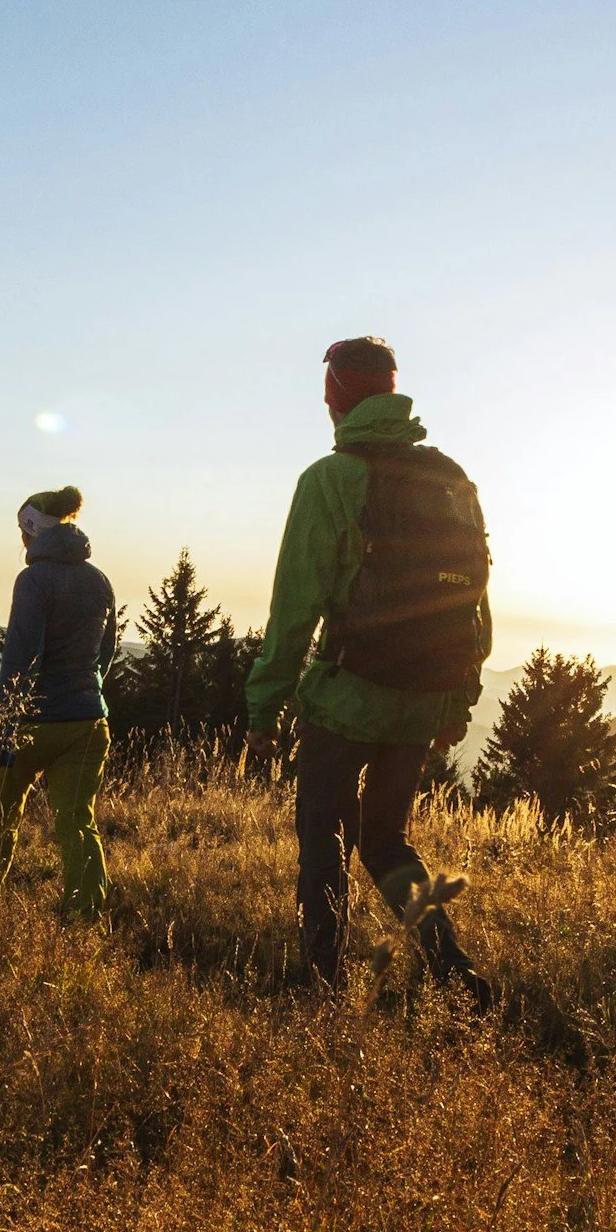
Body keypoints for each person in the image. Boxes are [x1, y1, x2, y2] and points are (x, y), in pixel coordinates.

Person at [244, 338, 495, 1006]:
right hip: (422, 698)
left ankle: (324, 985)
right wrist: (456, 702)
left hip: (346, 699)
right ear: (391, 394)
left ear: (336, 396)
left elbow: (294, 608)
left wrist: (264, 710)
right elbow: (474, 601)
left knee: (321, 837)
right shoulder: (450, 478)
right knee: (385, 840)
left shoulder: (329, 481)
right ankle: (449, 965)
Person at [0, 486, 118, 921]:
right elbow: (106, 654)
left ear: (33, 532)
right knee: (77, 822)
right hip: (88, 721)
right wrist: (84, 691)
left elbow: (21, 656)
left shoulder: (33, 580)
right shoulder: (99, 581)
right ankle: (84, 915)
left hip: (35, 721)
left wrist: (5, 726)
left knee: (0, 812)